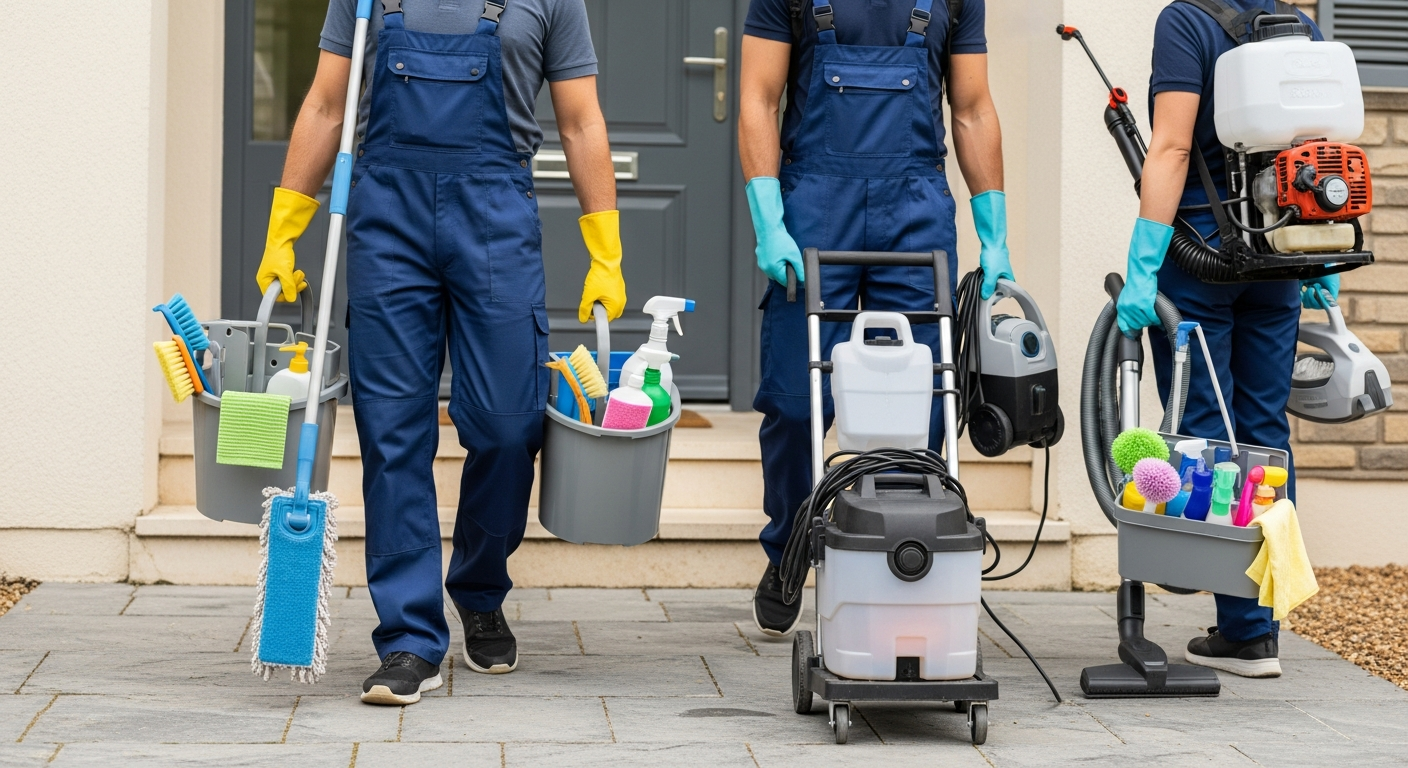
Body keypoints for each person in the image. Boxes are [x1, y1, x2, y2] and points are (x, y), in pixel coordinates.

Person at [256, 0, 626, 705]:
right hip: (385, 220)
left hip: (494, 215)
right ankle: (407, 637)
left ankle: (480, 587)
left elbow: (580, 120)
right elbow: (328, 103)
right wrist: (286, 222)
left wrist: (604, 247)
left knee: (509, 424)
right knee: (393, 432)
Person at [738, 0, 1012, 635]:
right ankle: (789, 548)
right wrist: (768, 218)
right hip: (814, 210)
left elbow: (971, 108)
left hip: (914, 208)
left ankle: (896, 553)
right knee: (793, 402)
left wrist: (994, 233)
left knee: (920, 405)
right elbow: (757, 96)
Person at [1117, 0, 1337, 679]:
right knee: (1266, 433)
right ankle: (1257, 627)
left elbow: (1173, 145)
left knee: (1206, 427)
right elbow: (1316, 154)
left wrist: (1142, 262)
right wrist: (1317, 264)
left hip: (1200, 259)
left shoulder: (1184, 23)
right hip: (1276, 257)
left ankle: (1234, 619)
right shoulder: (1300, 27)